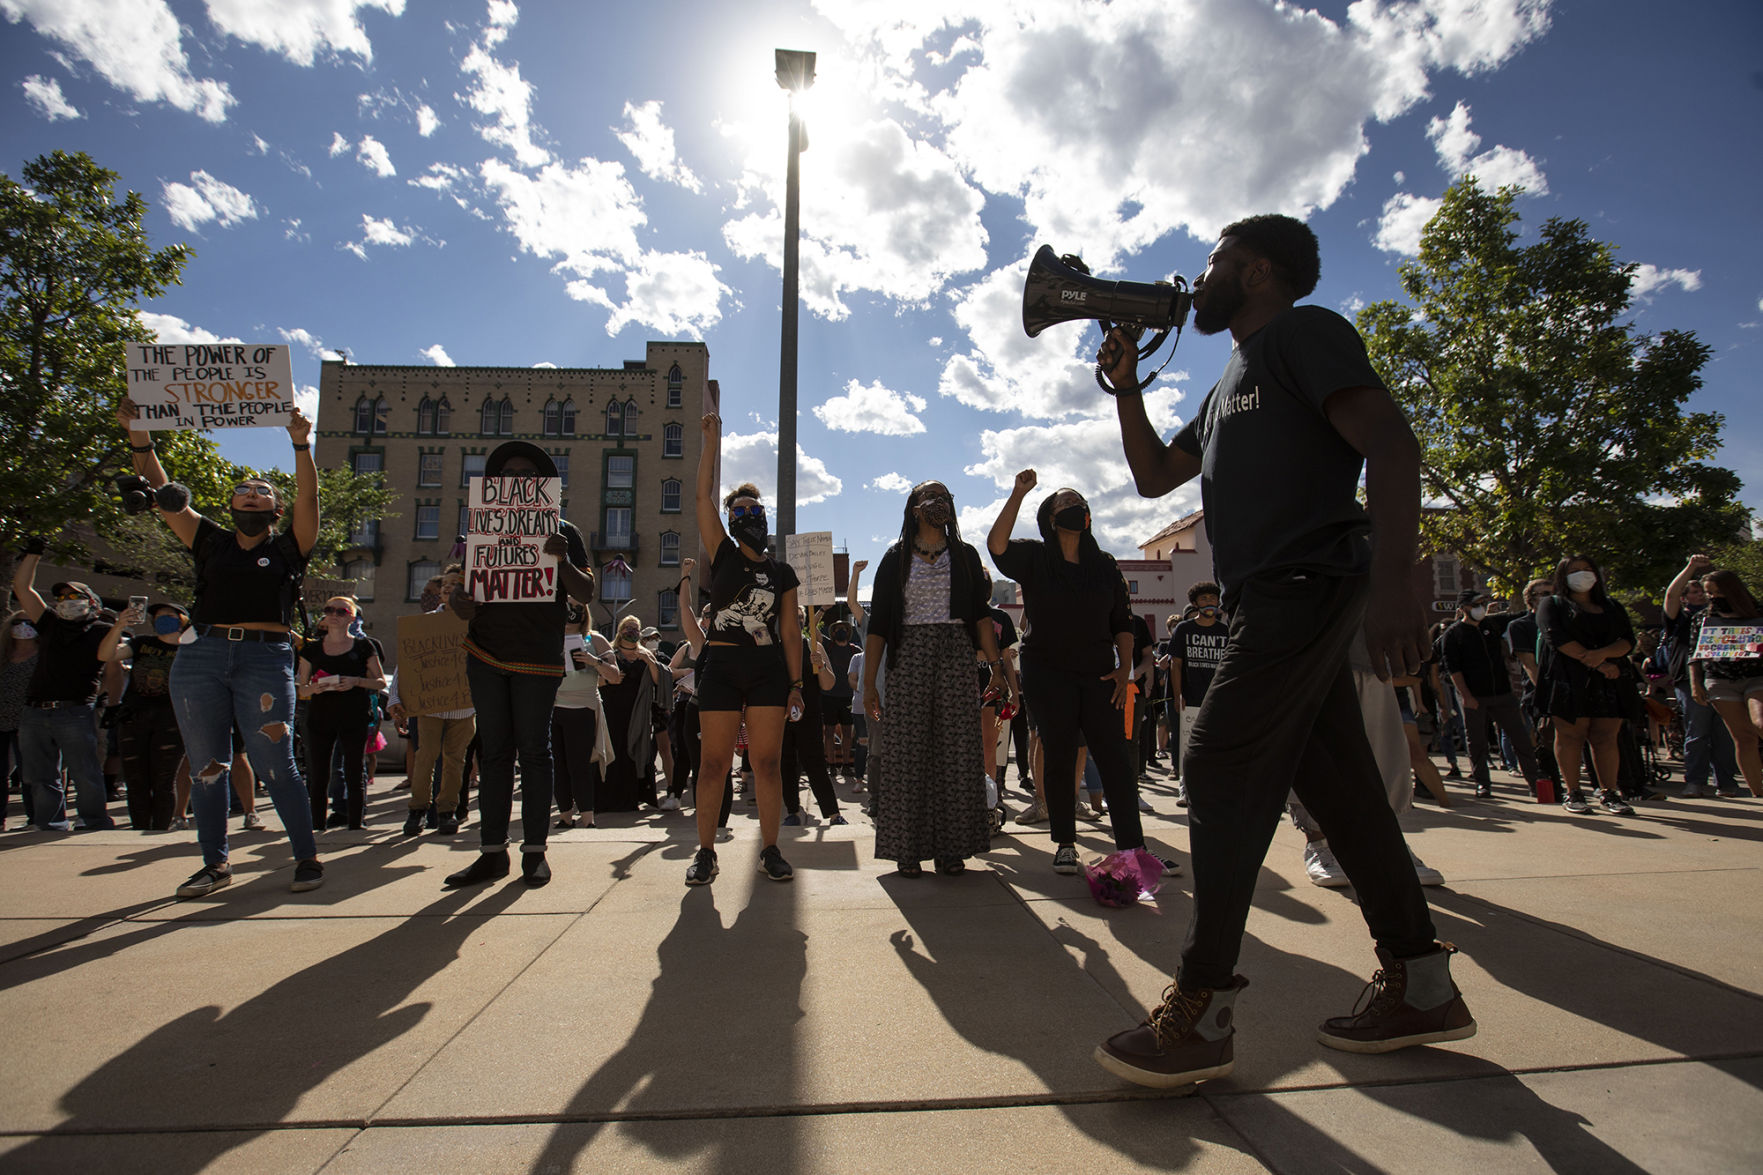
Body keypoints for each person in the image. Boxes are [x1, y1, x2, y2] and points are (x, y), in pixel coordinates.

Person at [1093, 215, 1474, 1088]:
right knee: (1342, 797)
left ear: (1259, 270)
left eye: (1217, 260)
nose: (1202, 274)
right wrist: (1124, 388)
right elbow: (1156, 476)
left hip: (1307, 583)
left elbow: (1391, 441)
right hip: (1263, 598)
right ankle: (1421, 983)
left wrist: (1390, 580)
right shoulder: (1228, 379)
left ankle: (1202, 1008)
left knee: (1219, 760)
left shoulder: (1305, 332)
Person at [117, 396, 324, 896]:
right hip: (201, 657)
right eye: (243, 490)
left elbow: (310, 500)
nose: (252, 495)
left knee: (277, 763)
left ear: (276, 508)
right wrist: (139, 434)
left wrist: (300, 444)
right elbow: (165, 492)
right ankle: (214, 864)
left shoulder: (289, 545)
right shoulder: (208, 540)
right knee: (208, 765)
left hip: (265, 658)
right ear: (230, 505)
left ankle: (306, 859)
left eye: (262, 491)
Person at [988, 472, 1157, 874]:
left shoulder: (1105, 566)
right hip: (1047, 672)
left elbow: (1122, 621)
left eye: (1079, 504)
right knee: (1060, 755)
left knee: (1115, 758)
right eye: (1065, 505)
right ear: (1051, 518)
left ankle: (1134, 847)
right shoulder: (1034, 557)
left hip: (1100, 675)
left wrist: (1124, 670)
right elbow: (996, 546)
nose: (1075, 509)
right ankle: (1065, 843)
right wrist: (1018, 493)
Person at [444, 441, 595, 888]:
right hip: (486, 653)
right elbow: (462, 591)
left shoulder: (563, 530)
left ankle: (534, 853)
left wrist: (561, 557)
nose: (518, 481)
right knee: (494, 754)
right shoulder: (481, 528)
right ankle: (492, 853)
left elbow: (585, 592)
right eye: (509, 474)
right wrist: (460, 602)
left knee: (533, 752)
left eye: (528, 475)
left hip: (538, 658)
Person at [863, 479, 1004, 877]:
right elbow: (878, 626)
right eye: (930, 497)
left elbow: (980, 616)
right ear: (914, 508)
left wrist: (996, 667)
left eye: (945, 497)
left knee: (957, 755)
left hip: (956, 655)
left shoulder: (964, 556)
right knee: (907, 754)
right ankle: (907, 850)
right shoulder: (895, 559)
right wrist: (869, 682)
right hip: (909, 656)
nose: (938, 502)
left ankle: (951, 849)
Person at [685, 413, 803, 886]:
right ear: (731, 523)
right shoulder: (724, 554)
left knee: (767, 764)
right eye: (741, 514)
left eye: (755, 511)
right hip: (722, 668)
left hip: (767, 671)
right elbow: (700, 499)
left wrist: (796, 685)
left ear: (765, 518)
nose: (749, 517)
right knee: (713, 764)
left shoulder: (782, 573)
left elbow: (791, 632)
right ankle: (706, 851)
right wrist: (711, 442)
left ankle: (770, 849)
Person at [8, 555, 114, 831]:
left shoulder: (102, 630)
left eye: (74, 595)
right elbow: (22, 588)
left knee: (84, 770)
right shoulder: (50, 624)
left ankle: (94, 820)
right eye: (63, 596)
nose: (67, 600)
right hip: (35, 709)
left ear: (91, 602)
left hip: (75, 710)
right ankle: (50, 821)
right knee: (39, 773)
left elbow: (112, 662)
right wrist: (33, 555)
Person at [1535, 555, 1639, 817]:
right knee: (1571, 736)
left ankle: (1609, 792)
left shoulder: (1612, 606)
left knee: (1606, 737)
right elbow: (1555, 637)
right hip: (1569, 680)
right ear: (1563, 576)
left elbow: (1627, 639)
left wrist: (1604, 655)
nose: (1582, 575)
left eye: (1587, 569)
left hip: (1610, 680)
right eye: (1574, 571)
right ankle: (1573, 792)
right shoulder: (1552, 605)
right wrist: (1596, 662)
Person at [388, 566, 479, 837]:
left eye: (458, 584)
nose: (450, 588)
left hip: (464, 707)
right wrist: (395, 698)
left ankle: (446, 811)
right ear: (440, 593)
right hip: (429, 706)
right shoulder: (424, 623)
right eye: (446, 584)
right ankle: (417, 810)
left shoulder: (477, 624)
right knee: (425, 757)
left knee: (455, 761)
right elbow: (404, 666)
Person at [1438, 588, 1542, 800]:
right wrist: (1466, 695)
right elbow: (1453, 668)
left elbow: (1521, 615)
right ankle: (1482, 784)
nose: (1480, 608)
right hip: (1474, 696)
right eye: (1476, 604)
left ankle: (1534, 782)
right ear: (1464, 607)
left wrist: (1538, 602)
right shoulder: (1453, 634)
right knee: (1477, 742)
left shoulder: (1492, 624)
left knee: (1520, 738)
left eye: (1483, 603)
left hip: (1502, 693)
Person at [97, 601, 191, 830]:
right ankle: (139, 826)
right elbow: (105, 655)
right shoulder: (141, 644)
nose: (163, 619)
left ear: (183, 621)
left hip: (172, 720)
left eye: (169, 615)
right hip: (134, 717)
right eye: (158, 616)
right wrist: (119, 626)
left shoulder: (191, 650)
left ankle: (160, 827)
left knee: (164, 779)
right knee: (136, 779)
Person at [296, 597, 387, 830]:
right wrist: (315, 687)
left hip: (353, 715)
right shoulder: (312, 648)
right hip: (320, 716)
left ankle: (356, 822)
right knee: (319, 772)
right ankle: (317, 823)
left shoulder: (364, 646)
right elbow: (300, 687)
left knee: (354, 770)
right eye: (329, 609)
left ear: (352, 617)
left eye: (341, 610)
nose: (334, 614)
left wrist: (356, 681)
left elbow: (378, 682)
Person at [1664, 555, 1740, 797]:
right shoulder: (1682, 618)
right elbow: (1671, 596)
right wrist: (1691, 567)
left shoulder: (1723, 614)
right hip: (1690, 681)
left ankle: (1726, 782)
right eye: (1695, 592)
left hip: (1723, 677)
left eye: (1705, 592)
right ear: (1686, 598)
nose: (1702, 596)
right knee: (1697, 731)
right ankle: (1695, 781)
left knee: (1725, 732)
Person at [1687, 569, 1763, 797]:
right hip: (1719, 680)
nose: (1713, 597)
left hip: (1757, 676)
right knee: (1743, 738)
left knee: (1760, 722)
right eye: (1709, 593)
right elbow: (1694, 654)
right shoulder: (1701, 618)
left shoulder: (1758, 613)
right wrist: (1695, 684)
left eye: (1718, 592)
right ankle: (1758, 793)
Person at [551, 604, 619, 829]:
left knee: (579, 764)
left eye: (576, 608)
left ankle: (588, 815)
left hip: (583, 707)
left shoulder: (595, 639)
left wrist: (594, 661)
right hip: (554, 706)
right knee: (558, 765)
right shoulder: (550, 635)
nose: (570, 613)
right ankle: (565, 815)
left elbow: (615, 676)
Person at [1166, 581, 1229, 807]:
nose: (1209, 603)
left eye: (1213, 598)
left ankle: (1214, 788)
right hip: (1191, 697)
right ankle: (1186, 789)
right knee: (1188, 745)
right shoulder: (1184, 629)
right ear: (1194, 603)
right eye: (1204, 599)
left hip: (1218, 698)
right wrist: (1177, 694)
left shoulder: (1225, 631)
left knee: (1217, 745)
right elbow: (1176, 664)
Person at [1504, 577, 1563, 796]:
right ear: (1530, 599)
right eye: (1544, 594)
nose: (1550, 597)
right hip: (1540, 693)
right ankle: (1551, 790)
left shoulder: (1563, 622)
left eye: (1553, 592)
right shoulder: (1520, 626)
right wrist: (1547, 691)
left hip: (1570, 689)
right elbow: (1529, 665)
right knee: (1544, 742)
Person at [599, 615, 662, 812]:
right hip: (611, 709)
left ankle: (630, 798)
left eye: (635, 628)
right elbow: (596, 679)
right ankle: (606, 798)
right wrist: (610, 679)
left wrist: (648, 661)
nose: (632, 632)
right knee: (612, 752)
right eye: (628, 628)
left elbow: (659, 680)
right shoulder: (610, 653)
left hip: (636, 712)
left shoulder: (646, 655)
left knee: (631, 753)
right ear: (620, 630)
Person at [1, 611, 40, 829]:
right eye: (17, 622)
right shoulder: (3, 655)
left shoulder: (43, 656)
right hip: (1, 721)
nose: (23, 627)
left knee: (30, 774)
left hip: (29, 722)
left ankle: (35, 819)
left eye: (29, 622)